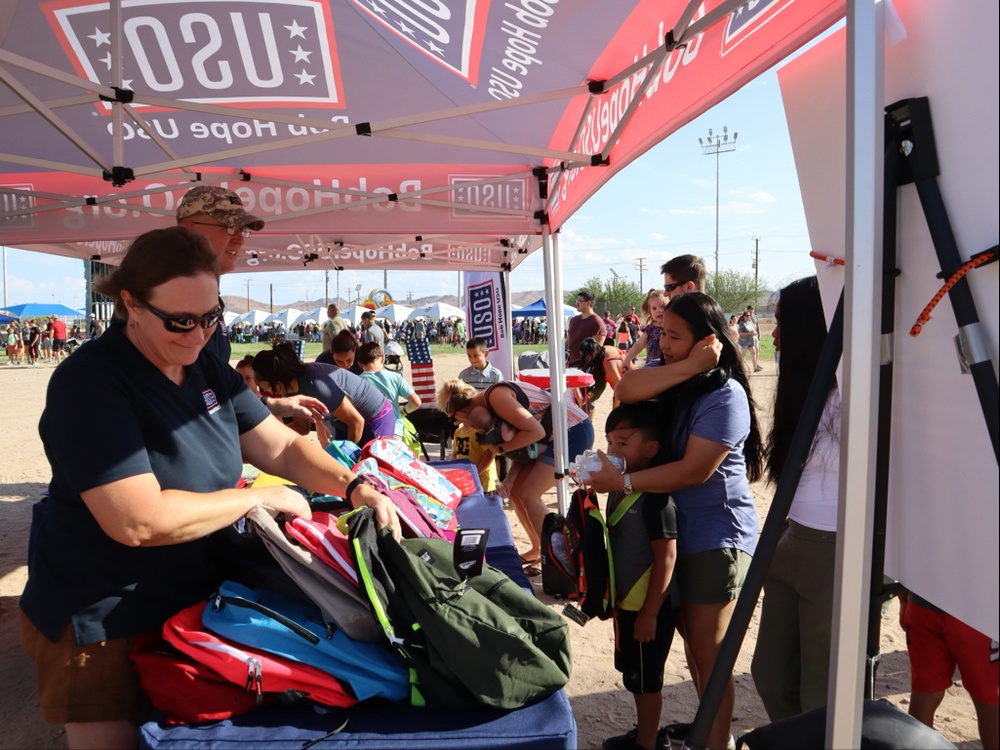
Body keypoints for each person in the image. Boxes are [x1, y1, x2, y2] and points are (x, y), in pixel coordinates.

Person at [19, 227, 400, 750]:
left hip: (192, 603)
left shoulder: (205, 367)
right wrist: (255, 496)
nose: (197, 335)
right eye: (180, 321)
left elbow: (283, 449)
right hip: (104, 618)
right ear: (130, 302)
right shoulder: (89, 384)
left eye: (210, 318)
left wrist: (356, 484)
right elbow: (137, 519)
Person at [589, 292, 762, 750]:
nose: (662, 343)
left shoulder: (726, 395)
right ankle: (706, 737)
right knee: (694, 648)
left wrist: (624, 484)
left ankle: (714, 744)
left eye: (673, 336)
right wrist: (688, 365)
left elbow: (693, 471)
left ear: (708, 342)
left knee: (709, 656)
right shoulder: (678, 379)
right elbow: (624, 390)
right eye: (662, 332)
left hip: (715, 536)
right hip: (683, 532)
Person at [749, 275, 841, 721]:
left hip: (834, 549)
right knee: (768, 674)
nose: (775, 335)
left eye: (783, 322)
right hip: (790, 539)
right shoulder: (804, 390)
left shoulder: (852, 394)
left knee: (818, 693)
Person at [437, 377, 594, 574]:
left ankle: (559, 558)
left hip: (572, 431)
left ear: (461, 411)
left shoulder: (496, 398)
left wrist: (499, 448)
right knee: (516, 492)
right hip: (552, 434)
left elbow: (534, 432)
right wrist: (509, 478)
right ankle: (539, 548)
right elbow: (523, 446)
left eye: (454, 419)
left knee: (529, 494)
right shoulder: (490, 409)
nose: (458, 424)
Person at [600, 404, 679, 750]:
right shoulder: (620, 488)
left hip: (649, 608)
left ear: (651, 449)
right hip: (626, 605)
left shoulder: (656, 499)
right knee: (634, 677)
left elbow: (667, 557)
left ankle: (647, 744)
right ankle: (642, 735)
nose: (613, 452)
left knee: (648, 683)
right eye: (610, 443)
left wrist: (649, 613)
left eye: (622, 444)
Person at [898, 590, 999, 750]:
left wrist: (904, 598)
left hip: (922, 602)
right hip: (979, 611)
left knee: (924, 694)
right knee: (990, 700)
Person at [252, 342, 396, 447]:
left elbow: (356, 421)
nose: (268, 394)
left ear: (277, 383)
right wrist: (269, 436)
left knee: (365, 473)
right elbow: (302, 427)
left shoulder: (316, 383)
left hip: (376, 417)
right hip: (347, 423)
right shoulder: (290, 387)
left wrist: (349, 458)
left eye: (266, 389)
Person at [356, 341, 420, 439]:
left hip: (370, 430)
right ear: (383, 359)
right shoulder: (395, 377)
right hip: (394, 429)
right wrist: (404, 411)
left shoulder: (357, 381)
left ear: (360, 364)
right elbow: (416, 402)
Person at [577, 338, 625, 414]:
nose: (585, 360)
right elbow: (600, 385)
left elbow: (620, 386)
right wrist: (589, 396)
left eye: (586, 357)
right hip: (624, 391)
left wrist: (615, 409)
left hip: (630, 390)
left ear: (594, 353)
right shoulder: (601, 354)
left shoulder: (608, 362)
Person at [624, 289, 668, 368]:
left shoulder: (672, 326)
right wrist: (628, 358)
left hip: (669, 366)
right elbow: (639, 345)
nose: (659, 311)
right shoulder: (650, 329)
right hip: (652, 367)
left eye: (663, 307)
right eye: (654, 308)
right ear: (649, 310)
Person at [566, 289, 604, 366]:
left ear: (588, 303)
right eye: (577, 301)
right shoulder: (574, 320)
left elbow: (596, 351)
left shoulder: (597, 322)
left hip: (585, 368)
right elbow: (568, 342)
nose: (577, 303)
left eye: (580, 301)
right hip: (570, 365)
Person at [747, 305, 763, 372]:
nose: (751, 310)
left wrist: (759, 334)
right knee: (750, 351)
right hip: (749, 336)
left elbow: (757, 325)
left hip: (755, 335)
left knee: (757, 349)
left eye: (752, 309)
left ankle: (756, 364)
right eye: (750, 309)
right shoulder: (746, 317)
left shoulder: (755, 316)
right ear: (748, 310)